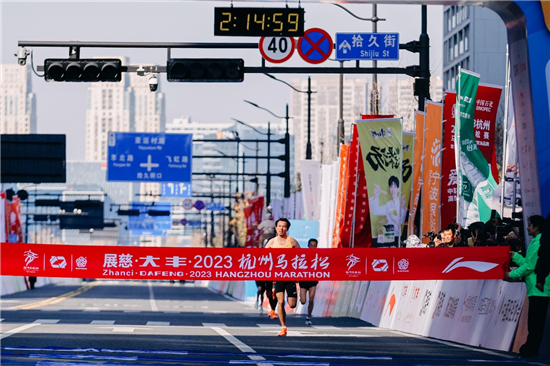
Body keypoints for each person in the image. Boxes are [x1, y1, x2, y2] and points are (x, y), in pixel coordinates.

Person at [504, 215, 550, 358]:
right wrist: (515, 257)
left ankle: (531, 348)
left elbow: (530, 266)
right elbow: (528, 263)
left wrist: (511, 275)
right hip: (534, 288)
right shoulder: (535, 242)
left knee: (536, 321)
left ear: (536, 227)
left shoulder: (538, 243)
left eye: (529, 225)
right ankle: (530, 347)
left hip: (539, 289)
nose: (527, 227)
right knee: (534, 321)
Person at [265, 218, 300, 337]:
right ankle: (283, 326)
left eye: (284, 226)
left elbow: (302, 258)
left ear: (287, 229)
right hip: (278, 275)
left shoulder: (293, 242)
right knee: (281, 301)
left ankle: (284, 316)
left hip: (290, 276)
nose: (281, 228)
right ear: (276, 228)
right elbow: (262, 258)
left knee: (292, 304)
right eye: (279, 226)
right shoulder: (271, 243)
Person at [369, 175, 407, 244]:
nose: (393, 189)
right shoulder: (389, 204)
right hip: (388, 234)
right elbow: (375, 211)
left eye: (395, 187)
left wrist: (403, 207)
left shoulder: (402, 203)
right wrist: (376, 196)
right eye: (391, 187)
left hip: (398, 235)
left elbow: (401, 221)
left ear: (398, 188)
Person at [299, 238, 319, 325]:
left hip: (313, 280)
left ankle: (308, 317)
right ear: (308, 246)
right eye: (311, 245)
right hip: (303, 280)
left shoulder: (319, 255)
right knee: (303, 301)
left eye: (314, 246)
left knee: (311, 299)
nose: (313, 247)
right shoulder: (303, 255)